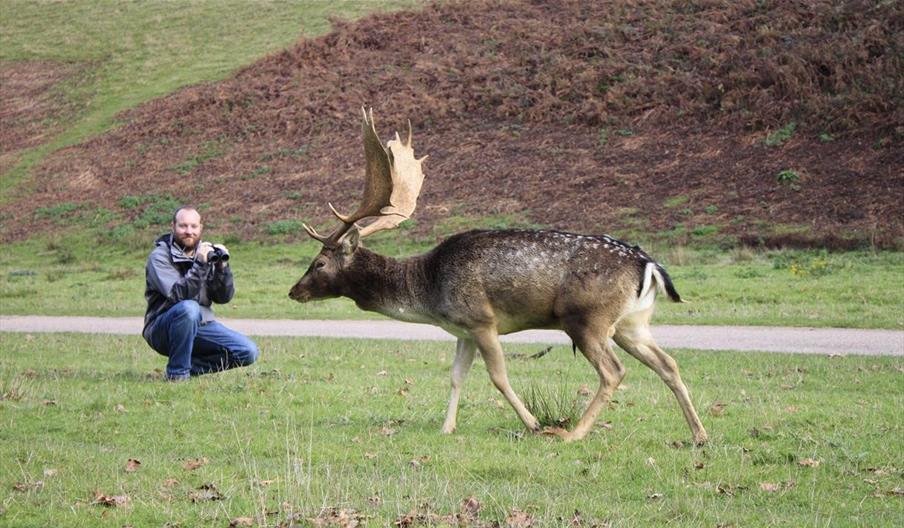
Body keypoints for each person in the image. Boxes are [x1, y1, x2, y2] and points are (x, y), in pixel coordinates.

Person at [143, 206, 259, 380]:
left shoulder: (206, 253)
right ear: (172, 226)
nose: (189, 231)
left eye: (193, 226)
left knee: (248, 351)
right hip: (163, 327)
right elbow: (177, 295)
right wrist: (200, 265)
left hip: (201, 326)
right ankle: (178, 374)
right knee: (189, 308)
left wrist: (222, 267)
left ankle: (189, 369)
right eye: (183, 226)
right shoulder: (159, 257)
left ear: (201, 228)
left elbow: (223, 298)